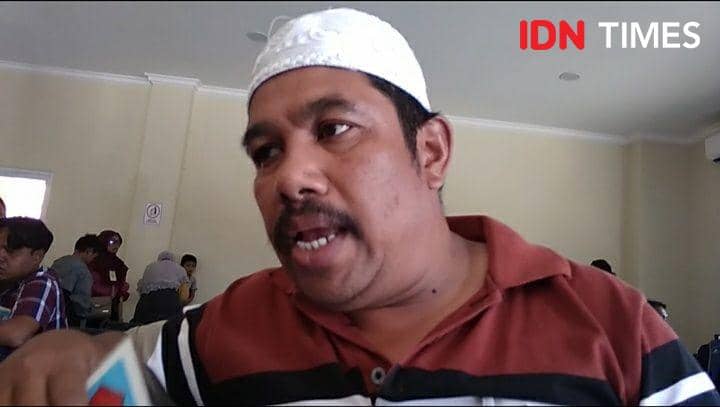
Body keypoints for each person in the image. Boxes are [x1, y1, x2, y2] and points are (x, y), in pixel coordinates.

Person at [0, 8, 717, 406]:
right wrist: (70, 354)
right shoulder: (229, 328)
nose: (289, 177)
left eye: (335, 129)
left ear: (430, 151)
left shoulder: (616, 330)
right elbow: (118, 378)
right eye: (265, 151)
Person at [0, 217, 66, 361]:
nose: (1, 256)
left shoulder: (43, 282)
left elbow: (16, 334)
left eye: (10, 251)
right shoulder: (9, 281)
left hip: (39, 370)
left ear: (37, 256)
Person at [51, 234, 104, 327]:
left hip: (52, 313)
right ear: (89, 251)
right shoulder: (83, 271)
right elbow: (82, 302)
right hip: (72, 318)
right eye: (94, 257)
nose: (93, 260)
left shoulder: (58, 262)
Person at [131, 251, 189, 325]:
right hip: (169, 303)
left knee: (143, 328)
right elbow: (184, 296)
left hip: (145, 303)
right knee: (166, 329)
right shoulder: (180, 269)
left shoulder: (150, 267)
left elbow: (141, 288)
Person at [89, 230, 129, 321]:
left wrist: (122, 289)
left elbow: (121, 286)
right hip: (95, 304)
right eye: (112, 242)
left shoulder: (119, 264)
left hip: (113, 306)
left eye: (118, 243)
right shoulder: (93, 261)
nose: (116, 245)